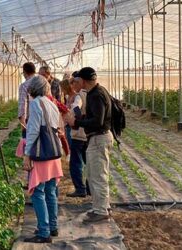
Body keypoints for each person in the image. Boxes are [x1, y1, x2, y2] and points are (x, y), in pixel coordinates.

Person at [64, 67, 113, 224]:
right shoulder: (96, 93)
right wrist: (81, 118)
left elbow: (98, 121)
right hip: (97, 138)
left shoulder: (96, 95)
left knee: (97, 175)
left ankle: (101, 211)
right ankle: (101, 207)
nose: (76, 84)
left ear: (83, 80)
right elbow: (95, 117)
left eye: (78, 81)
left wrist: (77, 122)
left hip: (99, 138)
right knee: (93, 174)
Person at [23, 75, 64, 243]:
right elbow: (57, 127)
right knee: (50, 190)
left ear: (33, 89)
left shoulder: (35, 104)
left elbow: (33, 130)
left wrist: (27, 154)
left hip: (42, 154)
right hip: (53, 152)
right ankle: (52, 227)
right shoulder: (51, 103)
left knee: (38, 192)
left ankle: (43, 232)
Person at [66, 72, 88, 198]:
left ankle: (80, 188)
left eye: (74, 82)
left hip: (78, 135)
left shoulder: (79, 96)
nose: (72, 85)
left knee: (76, 163)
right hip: (89, 135)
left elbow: (76, 107)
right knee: (88, 163)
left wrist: (77, 120)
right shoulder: (90, 94)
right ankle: (89, 188)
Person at [16, 62, 36, 157]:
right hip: (43, 120)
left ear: (25, 72)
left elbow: (22, 105)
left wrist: (23, 123)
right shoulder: (43, 83)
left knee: (29, 147)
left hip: (30, 120)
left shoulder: (24, 85)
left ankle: (30, 165)